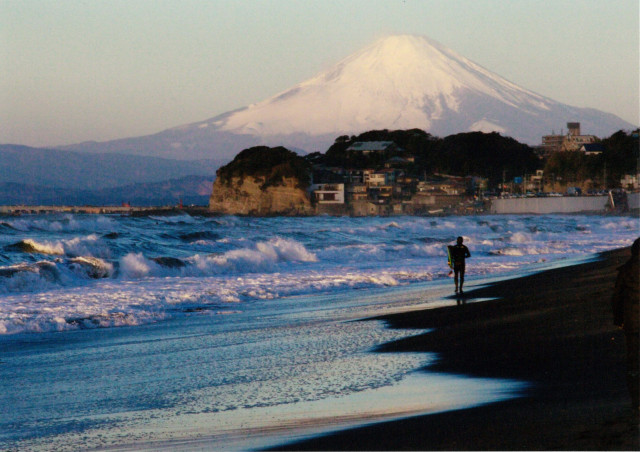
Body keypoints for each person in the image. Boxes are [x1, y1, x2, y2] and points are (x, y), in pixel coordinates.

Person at [612, 237, 640, 411]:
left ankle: (636, 399)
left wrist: (618, 319)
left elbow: (617, 298)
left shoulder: (626, 270)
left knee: (634, 359)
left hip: (632, 321)